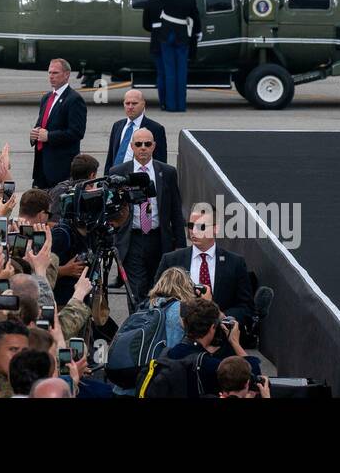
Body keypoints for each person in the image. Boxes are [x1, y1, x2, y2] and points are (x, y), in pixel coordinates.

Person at [112, 128, 185, 308]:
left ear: (154, 146)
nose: (143, 148)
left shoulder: (167, 172)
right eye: (138, 144)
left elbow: (176, 210)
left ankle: (154, 327)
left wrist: (181, 246)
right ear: (132, 146)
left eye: (147, 144)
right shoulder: (119, 172)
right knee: (136, 291)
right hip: (132, 239)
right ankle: (137, 329)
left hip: (159, 238)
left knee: (159, 289)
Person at [154, 204, 255, 324]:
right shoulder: (171, 261)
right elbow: (155, 300)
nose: (194, 231)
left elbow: (246, 308)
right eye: (191, 226)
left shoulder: (235, 263)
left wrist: (221, 317)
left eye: (201, 226)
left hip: (219, 335)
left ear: (215, 229)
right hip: (179, 334)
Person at [136, 0, 200, 113]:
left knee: (167, 73)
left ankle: (168, 105)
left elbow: (147, 24)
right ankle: (180, 105)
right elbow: (194, 15)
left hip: (164, 38)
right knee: (180, 73)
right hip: (180, 37)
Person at [30, 59, 87, 189]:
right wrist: (34, 134)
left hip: (61, 169)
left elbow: (77, 132)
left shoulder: (74, 99)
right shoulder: (47, 98)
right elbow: (41, 125)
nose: (51, 76)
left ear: (67, 74)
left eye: (55, 73)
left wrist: (49, 136)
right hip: (41, 167)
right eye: (49, 72)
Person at [104, 89, 167, 170]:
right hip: (115, 177)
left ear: (143, 104)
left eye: (134, 103)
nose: (130, 107)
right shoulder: (117, 126)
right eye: (127, 103)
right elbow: (110, 156)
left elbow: (161, 161)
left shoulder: (155, 129)